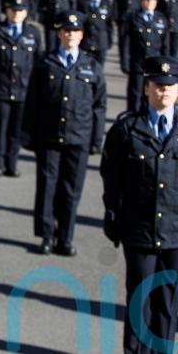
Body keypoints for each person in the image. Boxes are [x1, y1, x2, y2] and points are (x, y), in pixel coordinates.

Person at [101, 55, 178, 354]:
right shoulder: (126, 130)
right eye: (158, 86)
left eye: (171, 86)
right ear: (146, 88)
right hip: (140, 230)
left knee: (168, 303)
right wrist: (114, 218)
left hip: (174, 231)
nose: (165, 92)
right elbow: (111, 178)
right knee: (139, 299)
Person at [23, 11, 106, 256]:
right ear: (59, 33)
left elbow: (99, 105)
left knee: (71, 191)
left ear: (82, 35)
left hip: (78, 137)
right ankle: (46, 236)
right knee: (47, 187)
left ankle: (65, 237)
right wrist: (27, 134)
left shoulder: (91, 66)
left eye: (75, 31)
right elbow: (32, 101)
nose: (71, 35)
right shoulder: (45, 63)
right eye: (66, 31)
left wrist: (96, 138)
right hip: (49, 136)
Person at [0, 0, 42, 176]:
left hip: (24, 89)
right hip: (1, 86)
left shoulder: (33, 33)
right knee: (1, 125)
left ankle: (12, 163)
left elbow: (38, 62)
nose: (16, 14)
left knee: (17, 129)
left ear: (26, 13)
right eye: (13, 10)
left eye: (20, 11)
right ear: (7, 11)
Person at [121, 0, 169, 112]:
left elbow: (165, 45)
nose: (149, 3)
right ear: (141, 0)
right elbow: (125, 42)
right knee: (135, 95)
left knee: (152, 96)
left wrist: (166, 64)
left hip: (155, 66)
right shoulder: (133, 18)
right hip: (138, 64)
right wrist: (125, 62)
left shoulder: (161, 19)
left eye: (152, 0)